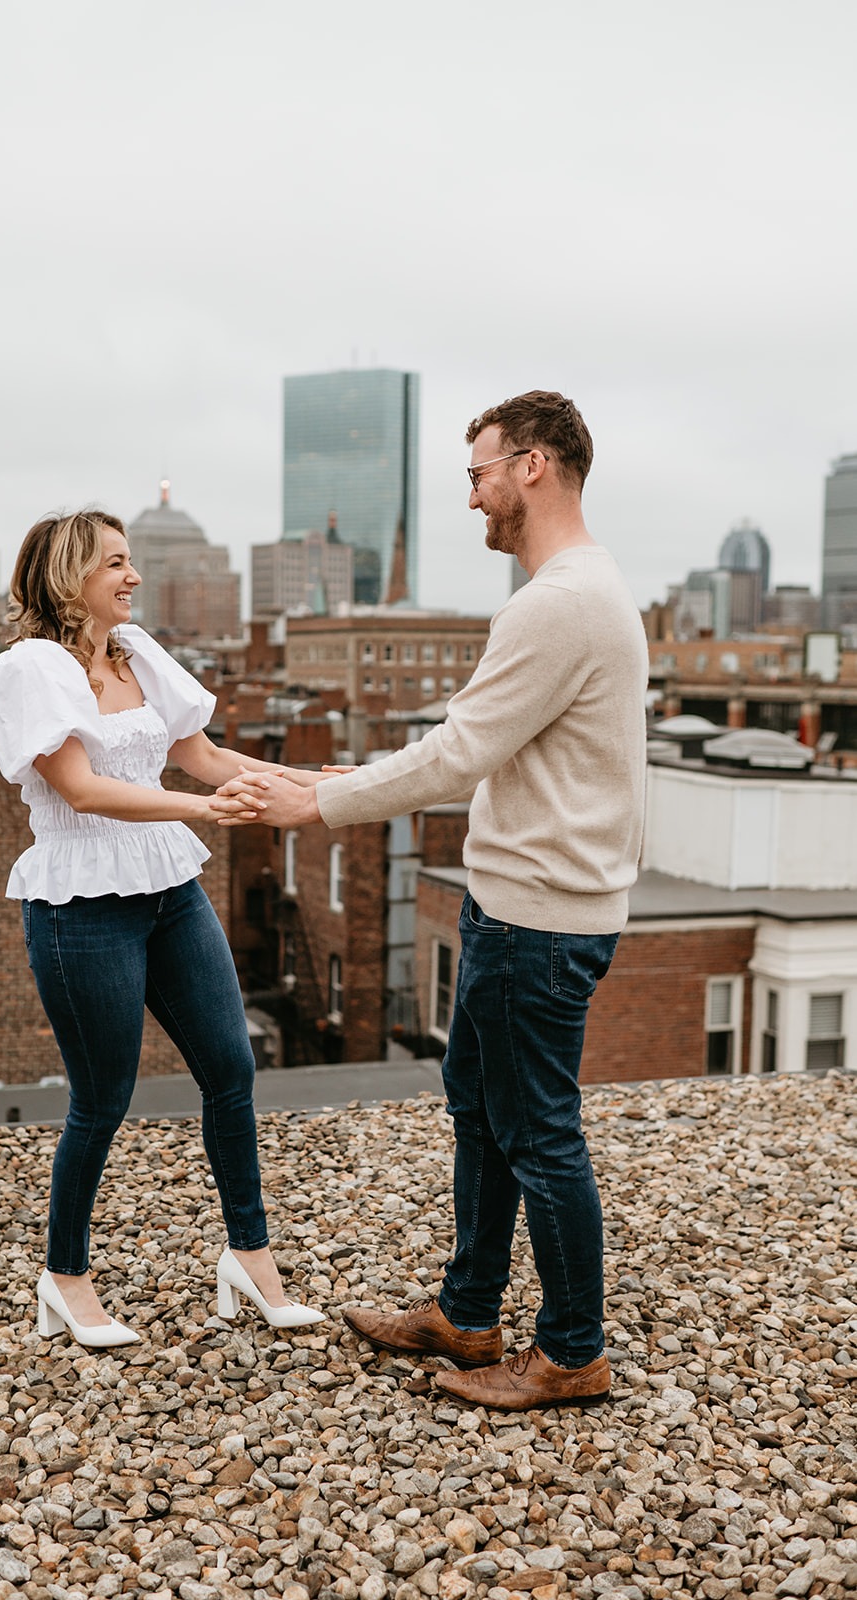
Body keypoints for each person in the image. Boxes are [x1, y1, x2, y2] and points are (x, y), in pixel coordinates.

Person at [219, 392, 647, 1409]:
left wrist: (313, 800)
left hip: (540, 919)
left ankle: (571, 1351)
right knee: (481, 1110)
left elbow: (457, 752)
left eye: (480, 473)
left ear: (534, 466)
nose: (473, 499)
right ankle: (468, 1313)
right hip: (522, 907)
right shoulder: (582, 590)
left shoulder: (559, 601)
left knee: (539, 1129)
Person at [0, 509, 325, 1347]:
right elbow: (84, 790)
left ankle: (250, 1258)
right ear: (70, 577)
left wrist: (317, 781)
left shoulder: (136, 652)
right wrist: (206, 810)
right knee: (102, 1100)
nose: (132, 577)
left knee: (231, 1067)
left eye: (131, 562)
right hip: (81, 902)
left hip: (167, 888)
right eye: (116, 564)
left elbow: (206, 757)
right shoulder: (32, 667)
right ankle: (66, 1276)